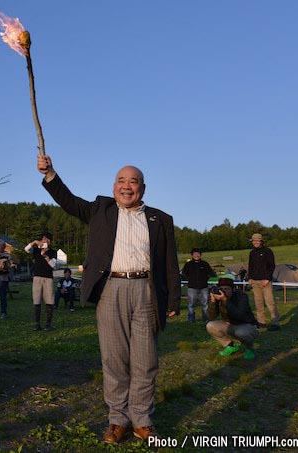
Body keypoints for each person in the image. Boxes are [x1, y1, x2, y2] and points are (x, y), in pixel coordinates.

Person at [37, 154, 181, 444]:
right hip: (111, 288)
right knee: (113, 359)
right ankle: (117, 419)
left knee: (146, 359)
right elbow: (69, 201)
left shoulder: (160, 219)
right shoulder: (100, 209)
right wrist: (51, 173)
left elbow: (169, 262)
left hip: (146, 290)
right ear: (114, 185)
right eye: (121, 180)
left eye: (133, 181)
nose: (126, 186)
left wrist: (173, 300)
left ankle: (142, 419)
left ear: (143, 187)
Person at [206, 277, 258, 360]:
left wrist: (225, 300)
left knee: (241, 333)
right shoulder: (219, 297)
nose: (224, 291)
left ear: (233, 289)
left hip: (246, 324)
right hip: (229, 324)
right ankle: (230, 346)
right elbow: (211, 316)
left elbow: (239, 314)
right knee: (210, 325)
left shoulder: (242, 296)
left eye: (227, 289)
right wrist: (213, 301)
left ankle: (249, 348)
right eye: (221, 289)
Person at [24, 232, 58, 331]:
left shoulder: (53, 252)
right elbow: (26, 249)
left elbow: (53, 265)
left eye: (48, 239)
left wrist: (45, 256)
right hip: (37, 278)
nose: (45, 241)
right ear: (41, 240)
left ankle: (48, 324)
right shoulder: (35, 250)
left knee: (49, 301)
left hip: (48, 278)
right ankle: (37, 324)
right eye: (44, 239)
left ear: (50, 241)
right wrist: (34, 242)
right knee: (37, 300)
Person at [247, 233, 279, 331]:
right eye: (254, 241)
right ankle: (261, 322)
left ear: (261, 241)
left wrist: (267, 278)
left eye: (257, 240)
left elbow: (271, 266)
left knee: (270, 302)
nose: (255, 242)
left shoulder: (268, 251)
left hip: (265, 281)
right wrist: (250, 278)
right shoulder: (251, 253)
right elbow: (250, 266)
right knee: (258, 303)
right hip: (255, 281)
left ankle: (275, 323)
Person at [181, 248, 215, 323]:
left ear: (200, 255)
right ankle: (191, 319)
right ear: (192, 255)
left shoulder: (205, 264)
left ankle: (206, 319)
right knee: (191, 304)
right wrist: (189, 279)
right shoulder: (188, 264)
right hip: (192, 287)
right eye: (195, 254)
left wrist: (205, 279)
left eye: (198, 254)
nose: (196, 255)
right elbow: (183, 273)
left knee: (205, 304)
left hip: (204, 287)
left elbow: (210, 273)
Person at [0, 240, 11, 319]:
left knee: (3, 296)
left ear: (4, 247)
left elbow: (11, 264)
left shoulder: (7, 255)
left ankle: (3, 312)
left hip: (3, 278)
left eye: (2, 246)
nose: (0, 247)